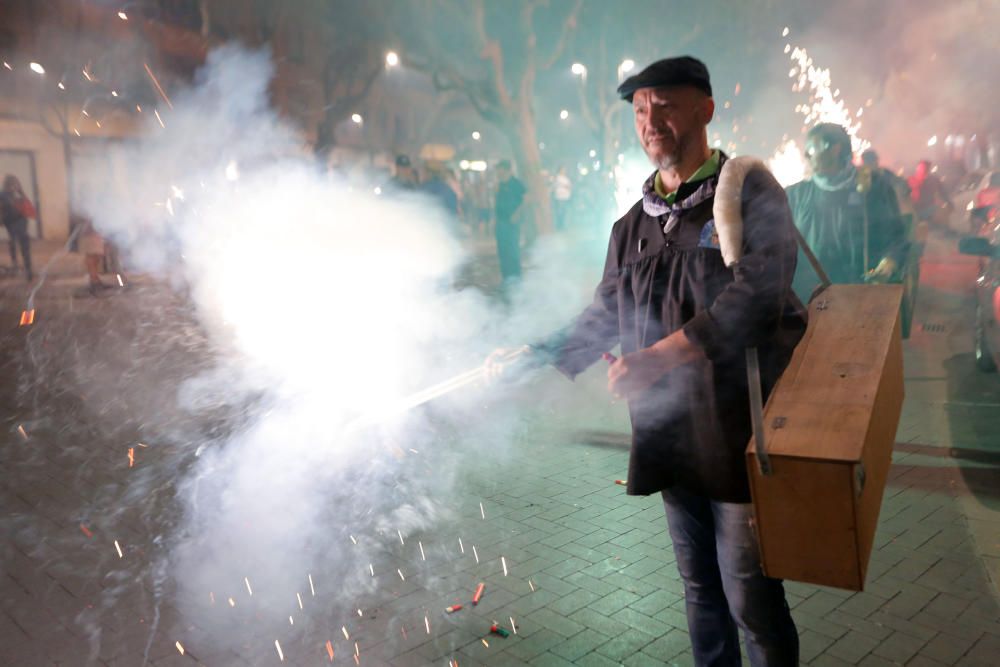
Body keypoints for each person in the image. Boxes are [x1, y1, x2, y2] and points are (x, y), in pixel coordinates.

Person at [495, 56, 804, 665]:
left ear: (705, 110)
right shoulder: (632, 225)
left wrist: (661, 357)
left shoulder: (747, 190)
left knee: (752, 602)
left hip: (738, 435)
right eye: (640, 109)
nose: (650, 120)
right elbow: (604, 312)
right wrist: (533, 355)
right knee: (700, 594)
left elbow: (761, 292)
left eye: (664, 104)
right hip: (669, 437)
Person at [787, 125, 907, 299]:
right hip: (811, 299)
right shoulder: (796, 195)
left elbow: (897, 237)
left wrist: (888, 264)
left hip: (862, 296)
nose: (806, 155)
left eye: (812, 149)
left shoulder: (874, 188)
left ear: (835, 149)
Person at [493, 159, 527, 284]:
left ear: (507, 170)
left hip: (512, 223)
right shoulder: (500, 185)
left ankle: (516, 277)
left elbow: (526, 199)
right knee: (502, 251)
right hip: (501, 222)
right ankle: (506, 277)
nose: (498, 172)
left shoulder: (516, 184)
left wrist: (517, 214)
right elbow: (497, 203)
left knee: (513, 250)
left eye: (500, 169)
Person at [1, 175, 35, 281]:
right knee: (13, 241)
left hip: (21, 221)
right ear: (7, 184)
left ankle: (28, 270)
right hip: (10, 222)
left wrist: (20, 195)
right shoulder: (3, 194)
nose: (14, 186)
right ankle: (15, 262)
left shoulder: (20, 193)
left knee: (24, 245)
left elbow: (27, 205)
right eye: (12, 184)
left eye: (16, 184)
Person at [907, 159, 951, 226]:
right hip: (916, 210)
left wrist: (949, 203)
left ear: (928, 170)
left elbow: (943, 192)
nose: (922, 170)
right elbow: (904, 195)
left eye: (925, 168)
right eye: (921, 168)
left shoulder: (934, 180)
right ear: (917, 169)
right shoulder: (911, 180)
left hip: (930, 209)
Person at [552, 166, 573, 231]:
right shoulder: (557, 177)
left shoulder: (566, 178)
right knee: (559, 211)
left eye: (564, 170)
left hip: (566, 196)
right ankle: (559, 225)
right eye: (562, 170)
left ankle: (562, 224)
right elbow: (555, 185)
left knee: (564, 211)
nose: (564, 171)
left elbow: (569, 185)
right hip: (559, 196)